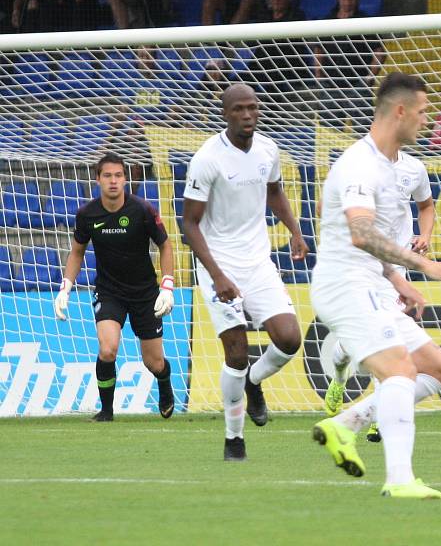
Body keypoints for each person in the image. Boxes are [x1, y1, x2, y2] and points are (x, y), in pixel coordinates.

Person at [310, 72, 441, 499]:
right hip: (344, 285)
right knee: (398, 370)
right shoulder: (359, 164)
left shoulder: (396, 164)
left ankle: (344, 425)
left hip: (372, 284)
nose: (427, 121)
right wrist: (426, 267)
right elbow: (360, 233)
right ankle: (400, 480)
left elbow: (368, 243)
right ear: (400, 112)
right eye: (422, 112)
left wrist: (398, 279)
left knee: (436, 367)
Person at [182, 83, 308, 461]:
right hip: (218, 264)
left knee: (289, 338)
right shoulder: (207, 158)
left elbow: (274, 192)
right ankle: (233, 439)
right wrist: (218, 275)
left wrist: (296, 231)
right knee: (236, 352)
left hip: (257, 262)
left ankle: (254, 382)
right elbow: (189, 224)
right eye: (239, 109)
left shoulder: (268, 149)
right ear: (225, 114)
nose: (248, 115)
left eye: (253, 108)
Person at [322, 128, 438, 443]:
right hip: (364, 267)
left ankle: (376, 419)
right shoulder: (358, 167)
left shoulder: (414, 168)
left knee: (391, 343)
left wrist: (425, 235)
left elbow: (426, 206)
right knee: (360, 347)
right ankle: (341, 377)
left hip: (395, 266)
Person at [54, 154, 175, 422]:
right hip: (109, 292)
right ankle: (107, 411)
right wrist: (65, 287)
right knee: (108, 349)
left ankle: (165, 384)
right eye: (107, 176)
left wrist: (167, 285)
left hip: (145, 294)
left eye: (118, 175)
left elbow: (165, 245)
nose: (113, 181)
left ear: (124, 179)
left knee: (153, 362)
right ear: (98, 179)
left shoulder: (142, 210)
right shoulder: (87, 214)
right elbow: (77, 253)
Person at [314, 0, 385, 133]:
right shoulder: (327, 21)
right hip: (330, 85)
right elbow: (319, 49)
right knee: (328, 134)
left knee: (364, 132)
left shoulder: (365, 22)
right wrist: (318, 75)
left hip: (357, 85)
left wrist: (369, 77)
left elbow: (379, 51)